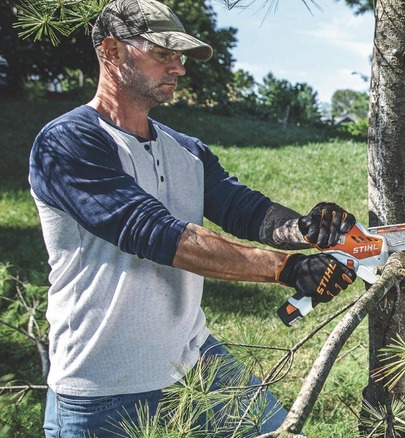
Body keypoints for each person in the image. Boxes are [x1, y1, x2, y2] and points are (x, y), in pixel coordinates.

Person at [28, 0, 357, 436]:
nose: (178, 68)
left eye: (179, 56)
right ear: (111, 50)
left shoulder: (187, 149)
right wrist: (286, 268)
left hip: (193, 361)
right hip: (101, 386)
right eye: (163, 53)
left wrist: (305, 230)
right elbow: (158, 235)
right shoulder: (68, 143)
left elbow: (243, 208)